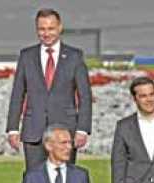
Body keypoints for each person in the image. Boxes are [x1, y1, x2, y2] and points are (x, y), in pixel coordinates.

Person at [6, 8, 92, 170]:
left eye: (50, 28)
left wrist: (82, 129)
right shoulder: (27, 56)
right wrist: (12, 128)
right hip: (34, 131)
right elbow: (18, 93)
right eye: (42, 29)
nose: (46, 33)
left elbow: (85, 96)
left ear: (60, 27)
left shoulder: (74, 56)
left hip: (65, 131)